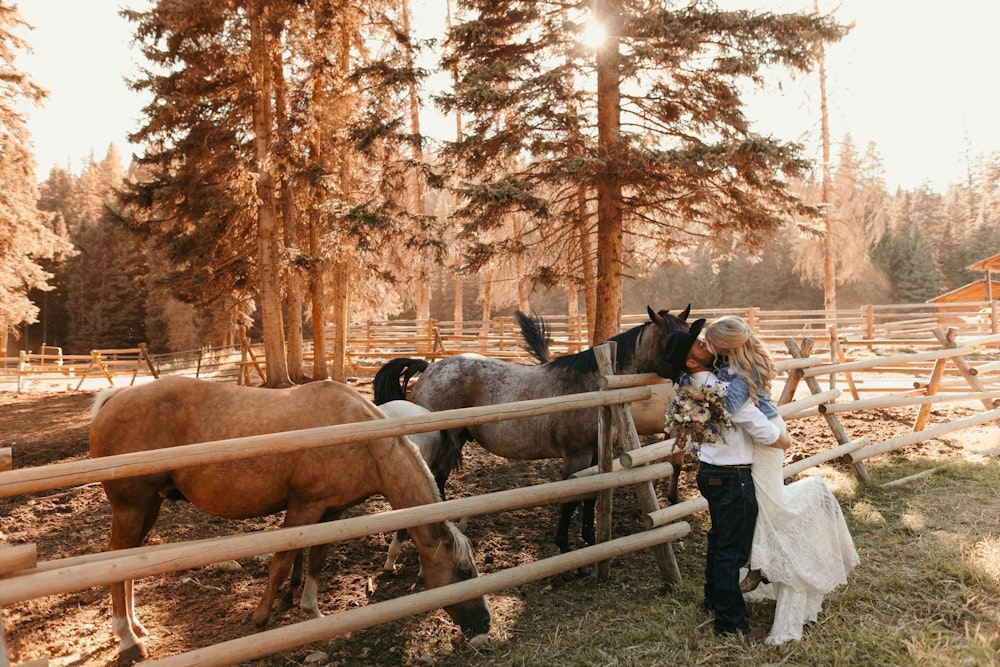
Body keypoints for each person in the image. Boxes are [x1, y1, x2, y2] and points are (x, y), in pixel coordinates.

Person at [703, 315, 860, 645]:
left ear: (724, 346)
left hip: (768, 441)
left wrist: (703, 390)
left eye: (710, 343)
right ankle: (757, 566)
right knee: (760, 507)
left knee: (772, 506)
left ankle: (761, 566)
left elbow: (730, 407)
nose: (706, 347)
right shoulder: (732, 365)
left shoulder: (740, 374)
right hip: (764, 438)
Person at [665, 319, 789, 642]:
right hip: (734, 476)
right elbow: (752, 420)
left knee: (719, 540)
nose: (704, 343)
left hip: (709, 472)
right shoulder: (719, 389)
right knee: (732, 550)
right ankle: (731, 623)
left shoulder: (687, 385)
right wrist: (781, 440)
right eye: (698, 343)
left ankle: (713, 601)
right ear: (691, 360)